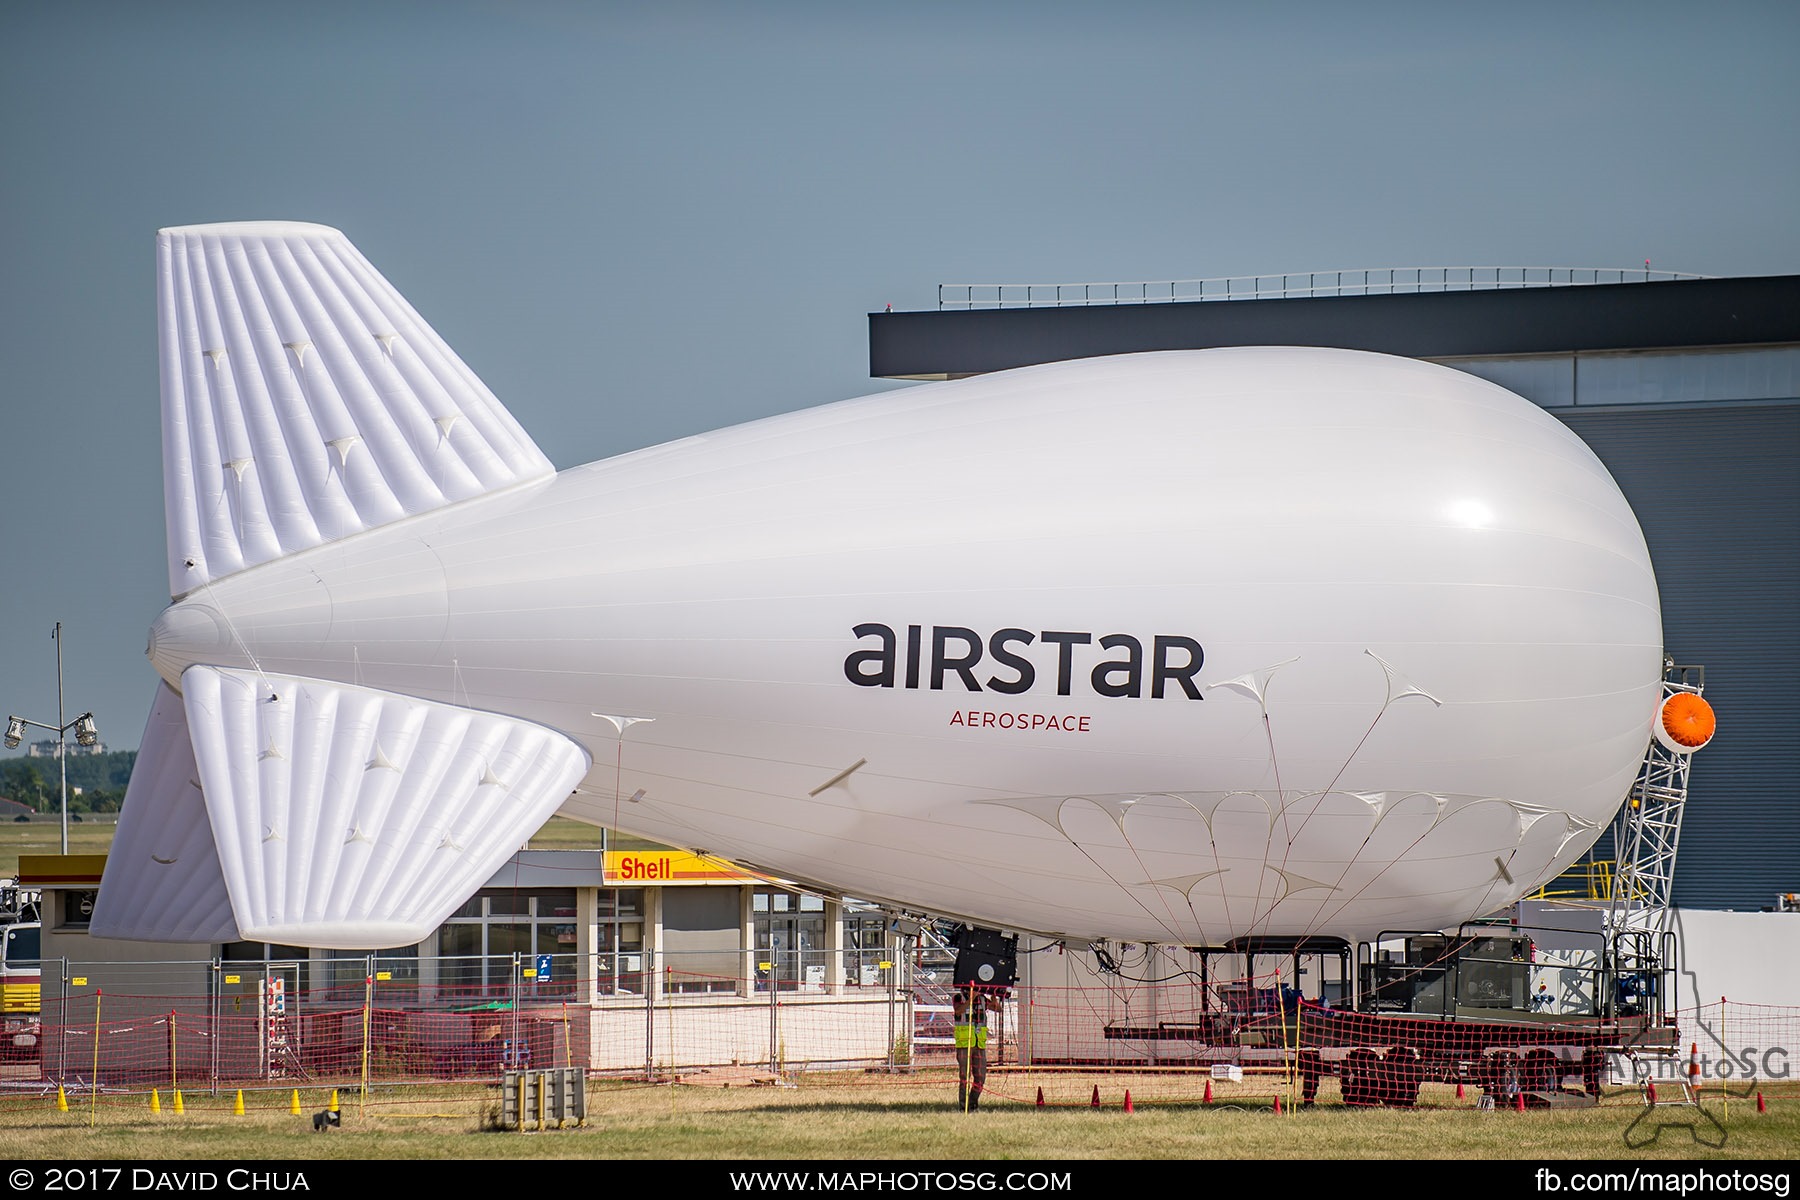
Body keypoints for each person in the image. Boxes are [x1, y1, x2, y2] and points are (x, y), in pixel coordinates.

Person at [952, 986, 1002, 1111]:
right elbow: (958, 1011)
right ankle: (963, 1106)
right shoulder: (959, 998)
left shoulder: (982, 999)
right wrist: (970, 1000)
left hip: (979, 1044)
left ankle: (973, 1103)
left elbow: (997, 1009)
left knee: (980, 1077)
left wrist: (994, 999)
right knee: (965, 1077)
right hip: (964, 1045)